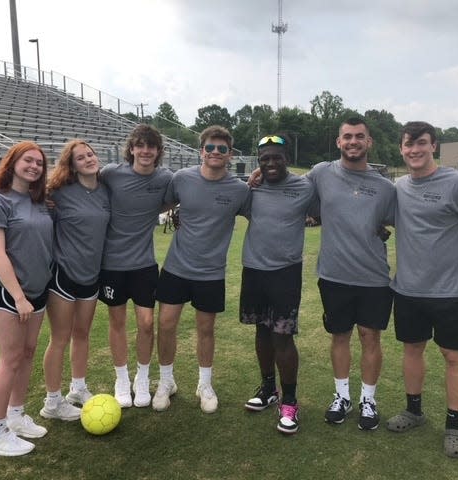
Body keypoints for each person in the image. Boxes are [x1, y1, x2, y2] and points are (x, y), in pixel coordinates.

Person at [386, 121, 458, 458]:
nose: (414, 150)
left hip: (451, 292)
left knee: (453, 356)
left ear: (433, 146)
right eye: (408, 144)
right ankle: (414, 411)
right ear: (401, 149)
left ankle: (454, 425)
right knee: (412, 350)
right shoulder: (398, 187)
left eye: (421, 143)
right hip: (407, 289)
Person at [307, 117, 396, 430]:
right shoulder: (321, 173)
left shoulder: (386, 187)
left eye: (360, 136)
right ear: (338, 142)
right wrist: (260, 174)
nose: (353, 142)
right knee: (339, 335)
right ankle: (341, 396)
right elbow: (290, 190)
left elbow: (400, 224)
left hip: (373, 277)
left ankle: (368, 400)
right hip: (333, 274)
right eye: (348, 136)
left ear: (369, 142)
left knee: (370, 337)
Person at [153, 125, 250, 414]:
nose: (215, 152)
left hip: (211, 272)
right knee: (166, 324)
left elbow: (261, 214)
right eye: (210, 147)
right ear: (201, 151)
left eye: (222, 148)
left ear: (230, 154)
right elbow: (159, 204)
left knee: (205, 329)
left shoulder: (239, 190)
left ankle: (204, 384)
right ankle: (166, 382)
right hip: (176, 266)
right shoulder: (181, 179)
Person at [0, 141, 53, 456]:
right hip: (10, 294)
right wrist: (19, 297)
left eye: (39, 163)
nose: (34, 166)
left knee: (27, 353)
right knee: (9, 360)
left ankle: (16, 417)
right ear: (12, 162)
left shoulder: (39, 201)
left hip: (37, 292)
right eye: (27, 160)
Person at [240, 134, 316, 434]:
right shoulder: (251, 188)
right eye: (264, 159)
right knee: (261, 330)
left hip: (285, 272)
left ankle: (290, 401)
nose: (270, 163)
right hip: (254, 270)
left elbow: (333, 207)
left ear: (286, 158)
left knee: (282, 336)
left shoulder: (305, 186)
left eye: (276, 157)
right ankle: (268, 389)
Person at [98, 124, 173, 408]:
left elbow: (178, 196)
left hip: (143, 264)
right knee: (117, 322)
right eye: (140, 145)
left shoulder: (165, 178)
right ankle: (121, 378)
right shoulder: (111, 174)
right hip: (111, 265)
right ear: (131, 149)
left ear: (158, 152)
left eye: (151, 146)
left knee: (145, 323)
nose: (145, 151)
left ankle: (142, 378)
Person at [40, 140, 110, 421]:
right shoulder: (58, 193)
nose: (88, 160)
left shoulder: (106, 191)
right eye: (80, 158)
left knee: (82, 334)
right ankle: (52, 402)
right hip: (64, 274)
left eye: (90, 154)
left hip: (91, 275)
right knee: (59, 338)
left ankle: (77, 389)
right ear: (72, 165)